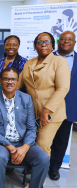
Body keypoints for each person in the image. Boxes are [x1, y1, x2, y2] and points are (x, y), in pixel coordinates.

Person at [0, 67, 49, 188]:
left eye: (13, 79)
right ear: (0, 80)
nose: (10, 82)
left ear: (17, 81)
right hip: (0, 142)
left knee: (43, 158)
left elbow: (31, 128)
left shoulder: (26, 98)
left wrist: (25, 147)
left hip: (22, 141)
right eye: (6, 79)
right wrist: (9, 146)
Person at [17, 32, 70, 158]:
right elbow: (18, 86)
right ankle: (34, 170)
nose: (43, 45)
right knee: (30, 143)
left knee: (42, 145)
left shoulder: (59, 61)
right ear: (35, 46)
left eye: (47, 42)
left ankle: (41, 178)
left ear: (52, 45)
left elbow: (63, 88)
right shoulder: (28, 63)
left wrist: (46, 110)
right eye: (40, 42)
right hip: (30, 113)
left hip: (51, 113)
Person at [49, 30, 77, 180]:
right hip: (46, 105)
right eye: (63, 39)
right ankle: (38, 164)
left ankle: (54, 167)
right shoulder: (48, 57)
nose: (66, 41)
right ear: (58, 42)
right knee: (42, 138)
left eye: (70, 39)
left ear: (74, 42)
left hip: (69, 107)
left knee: (61, 140)